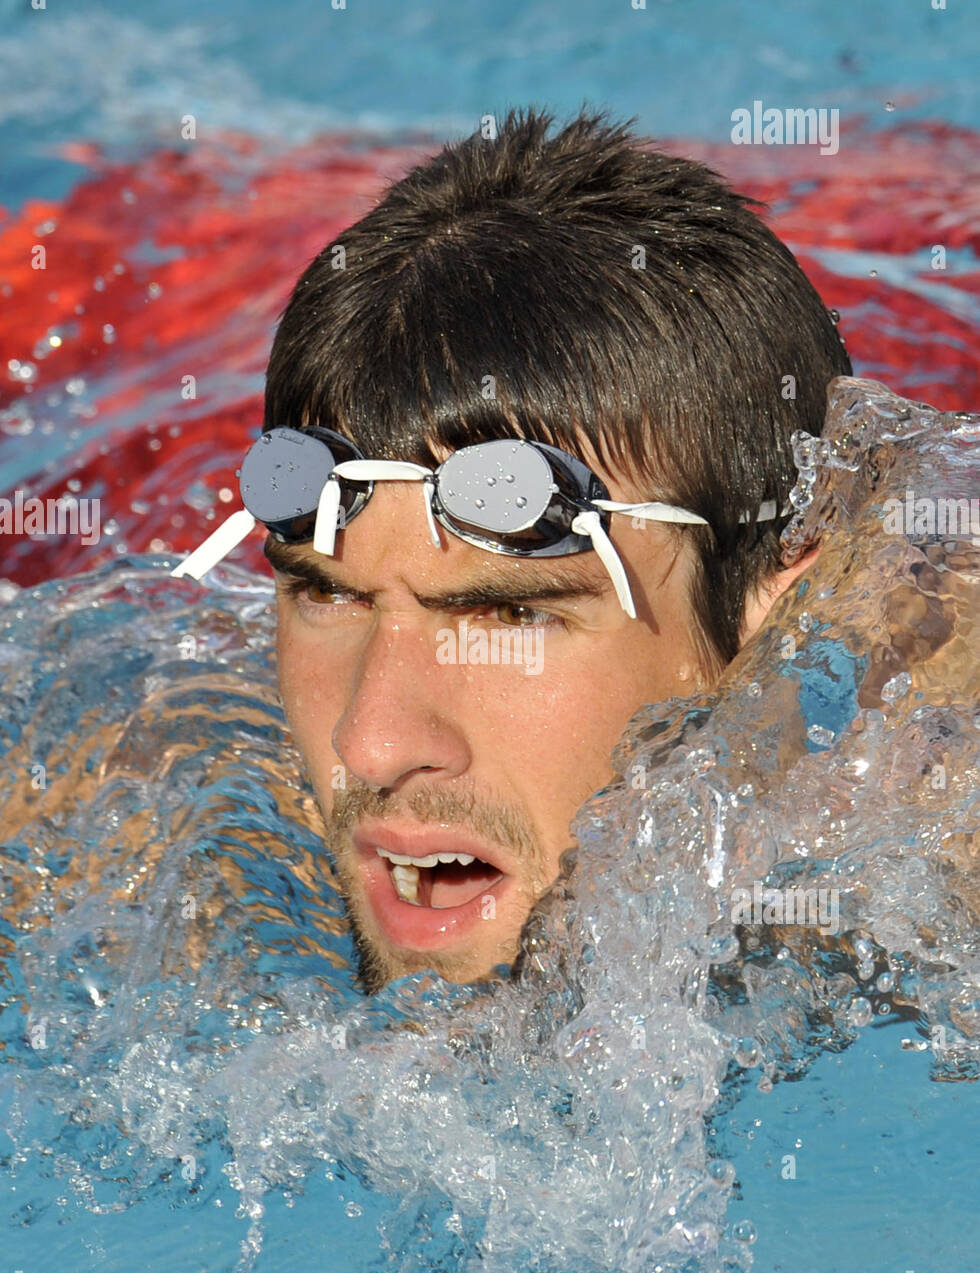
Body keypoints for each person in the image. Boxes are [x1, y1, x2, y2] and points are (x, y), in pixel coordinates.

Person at [175, 105, 852, 992]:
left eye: (508, 610)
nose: (371, 743)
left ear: (781, 618)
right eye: (330, 597)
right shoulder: (143, 856)